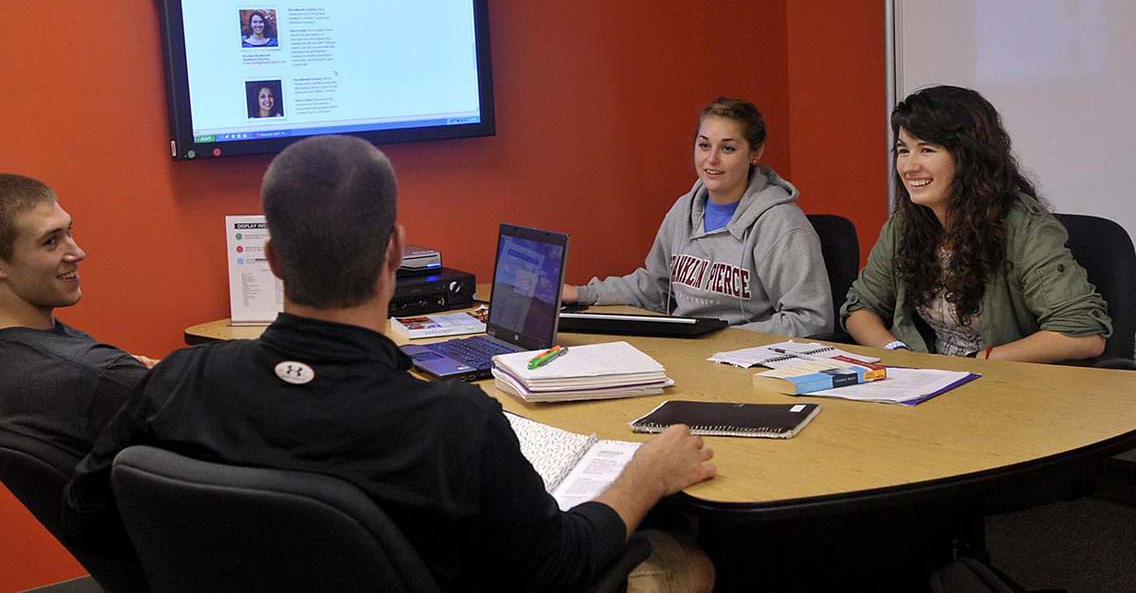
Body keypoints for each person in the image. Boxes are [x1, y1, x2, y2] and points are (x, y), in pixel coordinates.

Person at [62, 135, 717, 591]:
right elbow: (558, 569)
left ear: (272, 259)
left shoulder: (179, 381)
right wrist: (646, 476)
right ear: (397, 249)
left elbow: (87, 510)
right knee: (689, 560)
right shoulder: (452, 424)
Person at [842, 85, 1110, 362]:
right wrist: (897, 352)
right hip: (924, 382)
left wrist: (982, 361)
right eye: (903, 150)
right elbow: (859, 308)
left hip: (1008, 384)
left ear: (968, 157)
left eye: (927, 150)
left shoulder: (1024, 228)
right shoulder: (905, 225)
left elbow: (1084, 334)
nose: (909, 166)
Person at [563, 97, 833, 337]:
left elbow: (811, 320)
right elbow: (655, 288)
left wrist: (719, 337)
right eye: (704, 145)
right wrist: (580, 293)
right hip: (691, 351)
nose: (711, 159)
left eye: (728, 149)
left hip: (746, 363)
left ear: (755, 153)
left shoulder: (782, 225)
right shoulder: (684, 209)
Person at [0, 174, 156, 456]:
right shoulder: (93, 374)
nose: (77, 252)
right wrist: (139, 378)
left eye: (68, 232)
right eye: (51, 242)